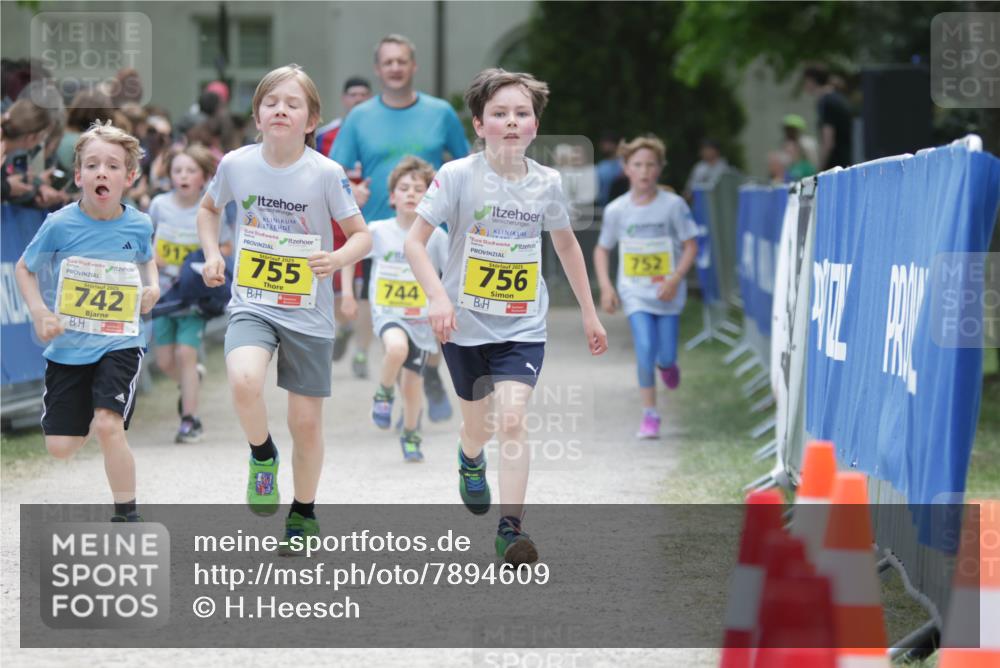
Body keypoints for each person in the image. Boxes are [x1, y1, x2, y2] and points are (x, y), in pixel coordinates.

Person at [405, 68, 608, 564]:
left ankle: (510, 529)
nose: (512, 121)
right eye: (500, 113)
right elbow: (414, 242)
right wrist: (438, 297)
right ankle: (470, 456)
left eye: (522, 113)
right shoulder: (457, 176)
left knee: (512, 419)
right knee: (478, 428)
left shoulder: (547, 183)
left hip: (522, 324)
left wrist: (590, 312)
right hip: (463, 326)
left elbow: (566, 246)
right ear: (479, 125)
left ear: (536, 125)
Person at [197, 64, 371, 548]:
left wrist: (337, 259)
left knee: (306, 422)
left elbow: (362, 236)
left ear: (311, 120)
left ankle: (303, 512)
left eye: (293, 104)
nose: (280, 110)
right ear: (257, 115)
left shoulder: (326, 173)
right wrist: (212, 253)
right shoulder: (236, 164)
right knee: (243, 379)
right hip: (253, 302)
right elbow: (209, 209)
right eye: (270, 102)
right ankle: (262, 453)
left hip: (308, 309)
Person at [14, 121, 160, 521]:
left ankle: (127, 514)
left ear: (129, 177)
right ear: (78, 176)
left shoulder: (139, 223)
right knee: (60, 447)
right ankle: (92, 417)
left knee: (109, 426)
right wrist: (40, 313)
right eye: (92, 165)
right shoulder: (59, 224)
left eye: (112, 166)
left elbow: (147, 259)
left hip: (121, 341)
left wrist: (152, 288)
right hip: (69, 347)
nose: (101, 172)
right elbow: (24, 268)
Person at [332, 34, 468, 418]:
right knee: (391, 321)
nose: (395, 68)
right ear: (378, 69)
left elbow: (464, 166)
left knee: (435, 316)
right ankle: (409, 389)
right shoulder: (360, 117)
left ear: (413, 66)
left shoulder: (440, 112)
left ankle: (429, 372)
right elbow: (335, 171)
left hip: (429, 234)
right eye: (388, 62)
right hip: (380, 234)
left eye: (401, 61)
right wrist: (352, 190)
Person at [342, 156, 447, 461]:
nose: (411, 193)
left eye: (419, 189)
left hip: (422, 320)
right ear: (392, 197)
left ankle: (411, 436)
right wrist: (348, 294)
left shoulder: (437, 237)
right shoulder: (378, 230)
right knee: (396, 349)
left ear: (430, 198)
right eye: (404, 188)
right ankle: (384, 393)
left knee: (413, 386)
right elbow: (348, 256)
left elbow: (451, 276)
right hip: (388, 313)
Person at [594, 136, 698, 439]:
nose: (644, 171)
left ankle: (668, 365)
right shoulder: (617, 210)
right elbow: (602, 249)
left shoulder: (673, 206)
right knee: (645, 347)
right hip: (635, 292)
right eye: (637, 165)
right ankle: (650, 414)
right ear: (626, 168)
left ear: (660, 169)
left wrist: (675, 278)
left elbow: (691, 245)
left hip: (667, 292)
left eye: (650, 165)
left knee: (665, 356)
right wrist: (606, 287)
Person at [150, 144, 218, 444]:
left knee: (185, 354)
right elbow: (145, 238)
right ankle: (192, 379)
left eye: (191, 170)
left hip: (194, 295)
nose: (183, 176)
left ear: (204, 176)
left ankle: (190, 420)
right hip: (163, 294)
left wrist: (204, 259)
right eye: (177, 170)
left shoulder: (211, 208)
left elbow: (226, 246)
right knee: (165, 361)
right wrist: (151, 257)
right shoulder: (159, 205)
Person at [802, 64, 853, 170]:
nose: (804, 85)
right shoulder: (837, 98)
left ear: (812, 81)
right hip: (845, 162)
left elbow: (828, 141)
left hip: (835, 166)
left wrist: (820, 168)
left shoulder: (825, 102)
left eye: (805, 81)